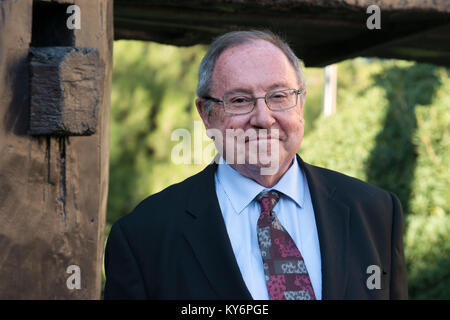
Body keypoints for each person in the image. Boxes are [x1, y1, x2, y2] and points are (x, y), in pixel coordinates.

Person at [103, 30, 408, 300]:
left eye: (278, 96)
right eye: (239, 100)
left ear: (300, 104)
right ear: (207, 114)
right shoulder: (144, 236)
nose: (263, 118)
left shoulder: (375, 212)